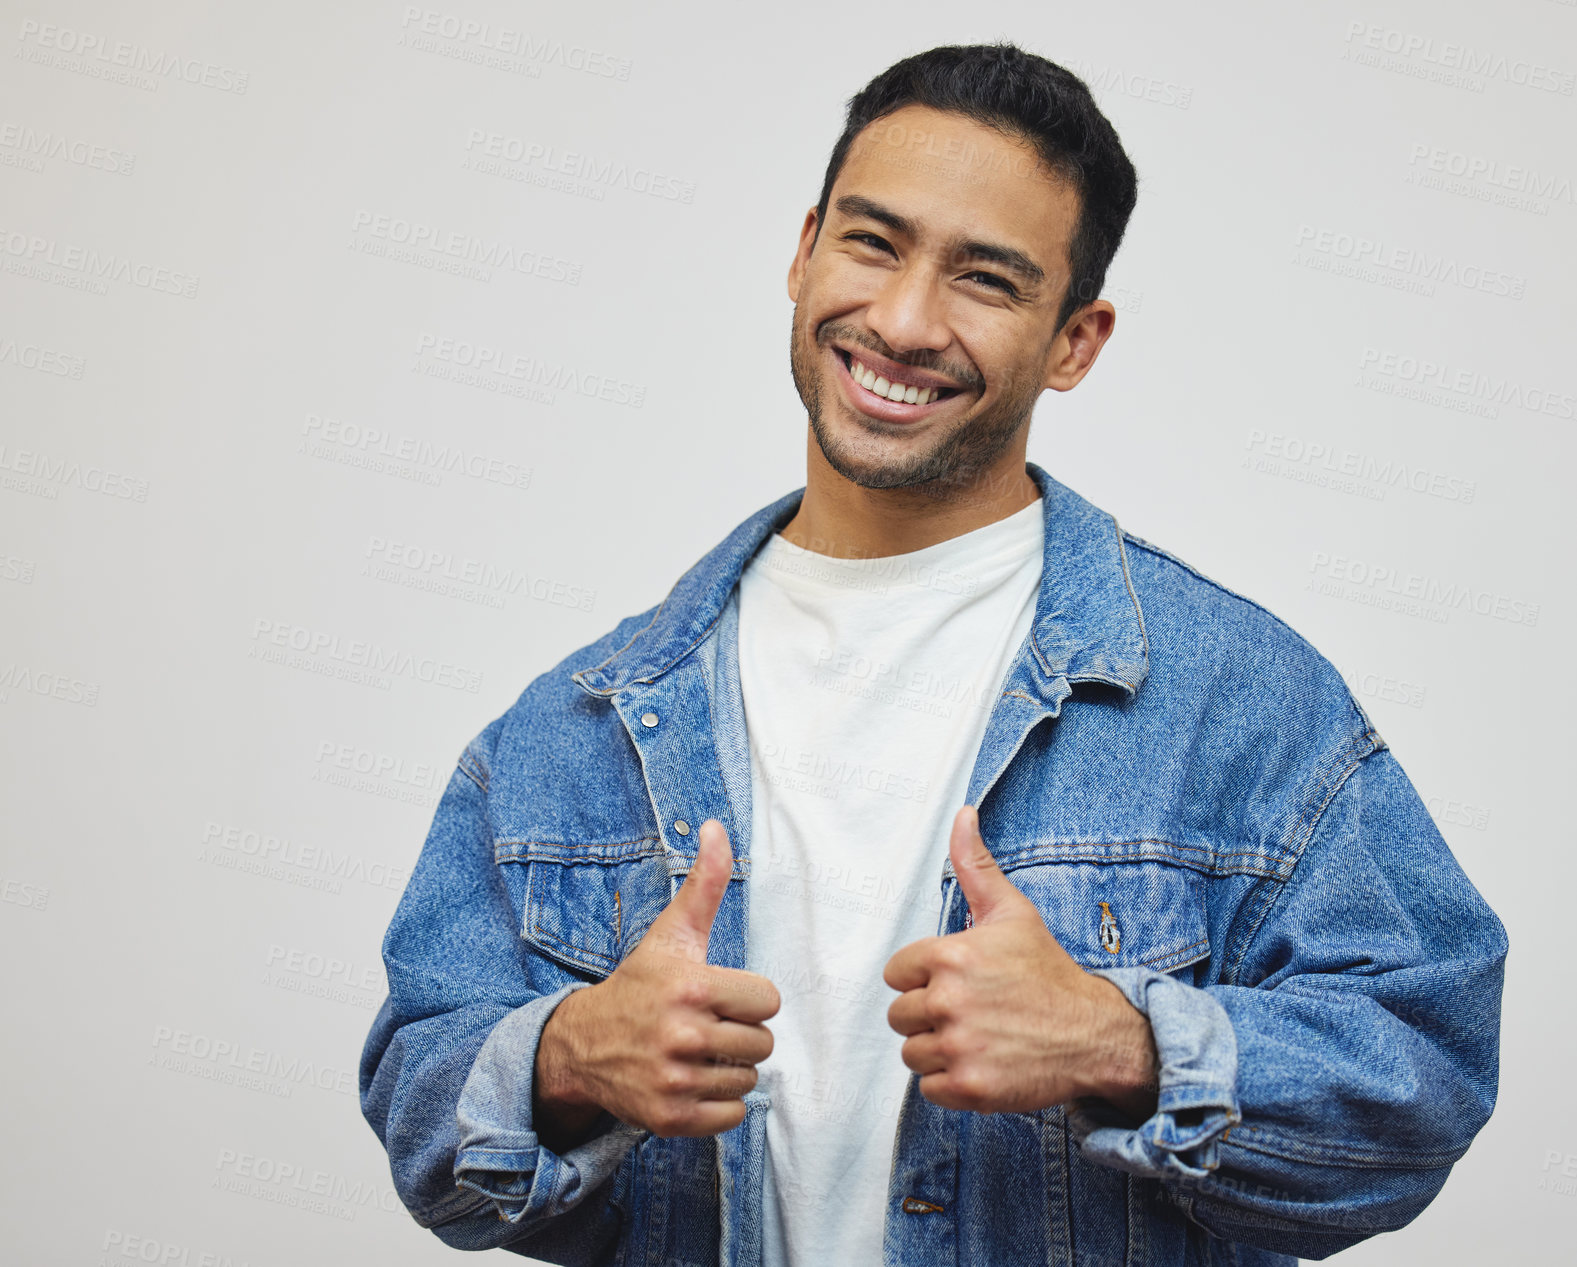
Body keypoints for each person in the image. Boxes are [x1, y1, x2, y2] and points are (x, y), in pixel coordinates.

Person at [360, 43, 1507, 1266]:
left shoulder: (1237, 696)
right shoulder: (580, 720)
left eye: (986, 279)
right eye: (871, 243)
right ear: (802, 252)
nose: (902, 323)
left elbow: (1422, 1076)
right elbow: (425, 1110)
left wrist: (1122, 1046)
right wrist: (566, 1057)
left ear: (1075, 340)